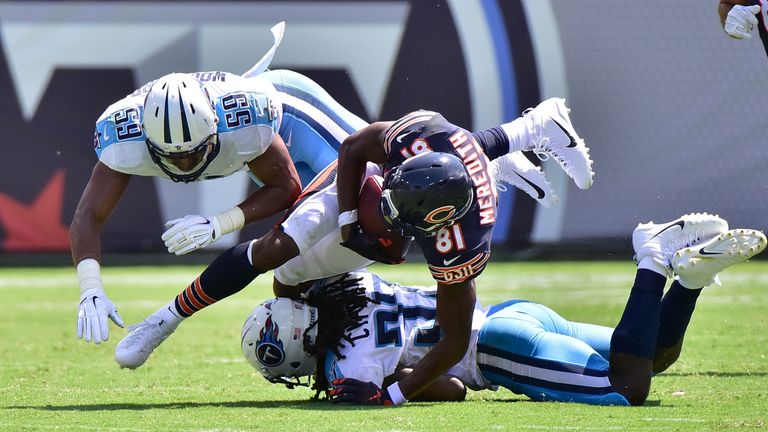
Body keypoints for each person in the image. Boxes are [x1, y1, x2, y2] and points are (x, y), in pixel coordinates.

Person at [113, 98, 593, 370]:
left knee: (290, 269)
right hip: (352, 181)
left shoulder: (452, 224)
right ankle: (505, 150)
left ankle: (503, 153)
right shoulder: (382, 173)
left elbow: (454, 324)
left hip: (366, 169)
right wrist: (347, 220)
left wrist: (397, 387)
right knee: (284, 265)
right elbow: (356, 152)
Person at [242, 213, 767, 406]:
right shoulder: (344, 285)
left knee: (628, 386)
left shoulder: (348, 367)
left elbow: (452, 390)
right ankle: (691, 279)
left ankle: (651, 258)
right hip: (513, 314)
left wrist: (397, 382)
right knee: (651, 355)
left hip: (497, 351)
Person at [71, 48, 373, 343]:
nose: (185, 166)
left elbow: (286, 186)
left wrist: (220, 223)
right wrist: (90, 288)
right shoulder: (122, 136)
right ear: (147, 139)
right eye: (173, 158)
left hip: (294, 112)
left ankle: (388, 310)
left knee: (371, 198)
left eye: (193, 154)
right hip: (258, 142)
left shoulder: (246, 121)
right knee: (299, 260)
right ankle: (340, 337)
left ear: (214, 126)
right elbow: (87, 216)